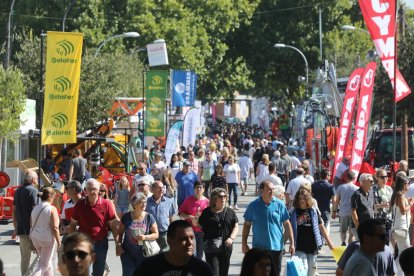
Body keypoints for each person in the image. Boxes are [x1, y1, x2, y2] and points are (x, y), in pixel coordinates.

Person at [242, 180, 295, 275]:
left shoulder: (279, 204)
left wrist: (292, 243)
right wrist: (244, 243)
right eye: (269, 189)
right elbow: (246, 225)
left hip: (277, 247)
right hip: (259, 248)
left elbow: (287, 224)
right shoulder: (253, 205)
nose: (272, 191)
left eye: (273, 189)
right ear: (262, 190)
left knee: (275, 273)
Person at [68, 178, 119, 276]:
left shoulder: (107, 204)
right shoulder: (79, 205)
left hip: (101, 244)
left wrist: (118, 244)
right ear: (85, 190)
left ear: (99, 189)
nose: (92, 192)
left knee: (98, 272)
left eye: (94, 189)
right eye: (89, 189)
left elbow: (113, 225)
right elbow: (72, 225)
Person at [133, 220, 214, 276]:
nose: (190, 243)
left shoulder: (202, 269)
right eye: (184, 239)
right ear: (170, 241)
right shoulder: (148, 267)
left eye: (192, 238)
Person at [290, 189, 334, 276]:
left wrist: (330, 244)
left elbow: (321, 227)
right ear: (297, 200)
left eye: (304, 198)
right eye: (300, 198)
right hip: (299, 246)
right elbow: (289, 229)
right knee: (303, 269)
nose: (302, 200)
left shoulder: (313, 212)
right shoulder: (294, 213)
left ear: (308, 199)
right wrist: (286, 243)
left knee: (311, 272)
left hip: (312, 246)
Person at [198, 188, 238, 276]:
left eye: (225, 196)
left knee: (224, 271)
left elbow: (236, 226)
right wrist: (196, 218)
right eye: (220, 196)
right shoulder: (207, 212)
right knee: (213, 272)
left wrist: (231, 238)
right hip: (211, 245)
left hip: (226, 246)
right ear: (214, 198)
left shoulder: (230, 212)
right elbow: (199, 225)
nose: (223, 198)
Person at [116, 193, 159, 276]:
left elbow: (156, 234)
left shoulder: (149, 217)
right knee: (128, 274)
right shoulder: (126, 217)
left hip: (144, 253)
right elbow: (120, 233)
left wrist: (145, 237)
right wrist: (118, 245)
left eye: (145, 202)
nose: (144, 204)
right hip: (127, 253)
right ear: (134, 204)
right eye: (141, 202)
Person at [12, 171, 39, 275]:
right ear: (32, 179)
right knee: (43, 255)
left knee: (25, 258)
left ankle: (25, 274)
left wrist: (15, 227)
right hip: (32, 230)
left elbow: (14, 210)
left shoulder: (18, 190)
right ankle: (29, 274)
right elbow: (35, 211)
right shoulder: (33, 191)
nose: (37, 180)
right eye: (36, 178)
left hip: (21, 230)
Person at [30, 187, 61, 276]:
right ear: (50, 197)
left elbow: (31, 224)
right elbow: (55, 227)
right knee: (44, 264)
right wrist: (59, 242)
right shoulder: (52, 209)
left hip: (35, 238)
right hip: (47, 239)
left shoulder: (35, 208)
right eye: (54, 197)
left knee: (47, 263)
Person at [179, 181, 209, 259]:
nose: (199, 189)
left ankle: (198, 270)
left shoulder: (207, 202)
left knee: (199, 254)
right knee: (189, 252)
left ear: (204, 189)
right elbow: (180, 214)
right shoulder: (188, 200)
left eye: (200, 187)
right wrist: (190, 217)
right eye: (197, 187)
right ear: (194, 189)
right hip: (189, 231)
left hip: (201, 232)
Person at [146, 181, 176, 252]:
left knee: (165, 257)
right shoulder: (146, 202)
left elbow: (171, 218)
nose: (162, 189)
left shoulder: (169, 201)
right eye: (159, 188)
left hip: (164, 234)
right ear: (152, 190)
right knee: (152, 257)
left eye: (162, 188)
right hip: (151, 234)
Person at [390, 176, 411, 276]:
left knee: (403, 253)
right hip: (401, 228)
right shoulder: (400, 195)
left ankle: (397, 272)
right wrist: (410, 204)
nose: (409, 185)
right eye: (408, 183)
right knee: (405, 253)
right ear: (403, 184)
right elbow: (403, 211)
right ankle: (393, 271)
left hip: (399, 227)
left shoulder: (398, 195)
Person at [332, 170, 358, 246]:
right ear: (354, 178)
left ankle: (343, 242)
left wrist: (334, 211)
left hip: (343, 212)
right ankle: (350, 247)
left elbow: (336, 201)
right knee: (351, 232)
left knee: (343, 230)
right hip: (353, 212)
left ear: (346, 178)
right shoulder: (357, 188)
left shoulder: (341, 187)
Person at [351, 173, 375, 240]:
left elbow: (372, 208)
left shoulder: (371, 192)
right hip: (360, 226)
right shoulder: (356, 194)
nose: (373, 183)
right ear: (364, 182)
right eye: (371, 181)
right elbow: (353, 211)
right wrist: (358, 227)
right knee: (364, 244)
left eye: (373, 181)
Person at [312, 168, 335, 237]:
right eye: (329, 175)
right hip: (325, 208)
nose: (330, 176)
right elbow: (334, 200)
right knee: (325, 223)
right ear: (327, 176)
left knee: (316, 224)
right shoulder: (330, 186)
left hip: (315, 208)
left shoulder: (314, 185)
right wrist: (334, 211)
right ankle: (321, 239)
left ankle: (318, 238)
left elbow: (311, 196)